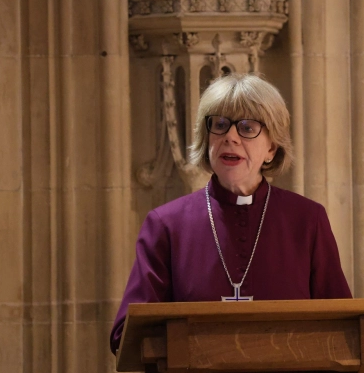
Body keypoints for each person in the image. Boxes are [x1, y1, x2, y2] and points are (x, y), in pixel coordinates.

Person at [109, 73, 351, 354]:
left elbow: (343, 325)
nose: (230, 137)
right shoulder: (166, 224)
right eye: (220, 125)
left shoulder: (307, 220)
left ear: (271, 148)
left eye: (247, 128)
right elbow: (126, 333)